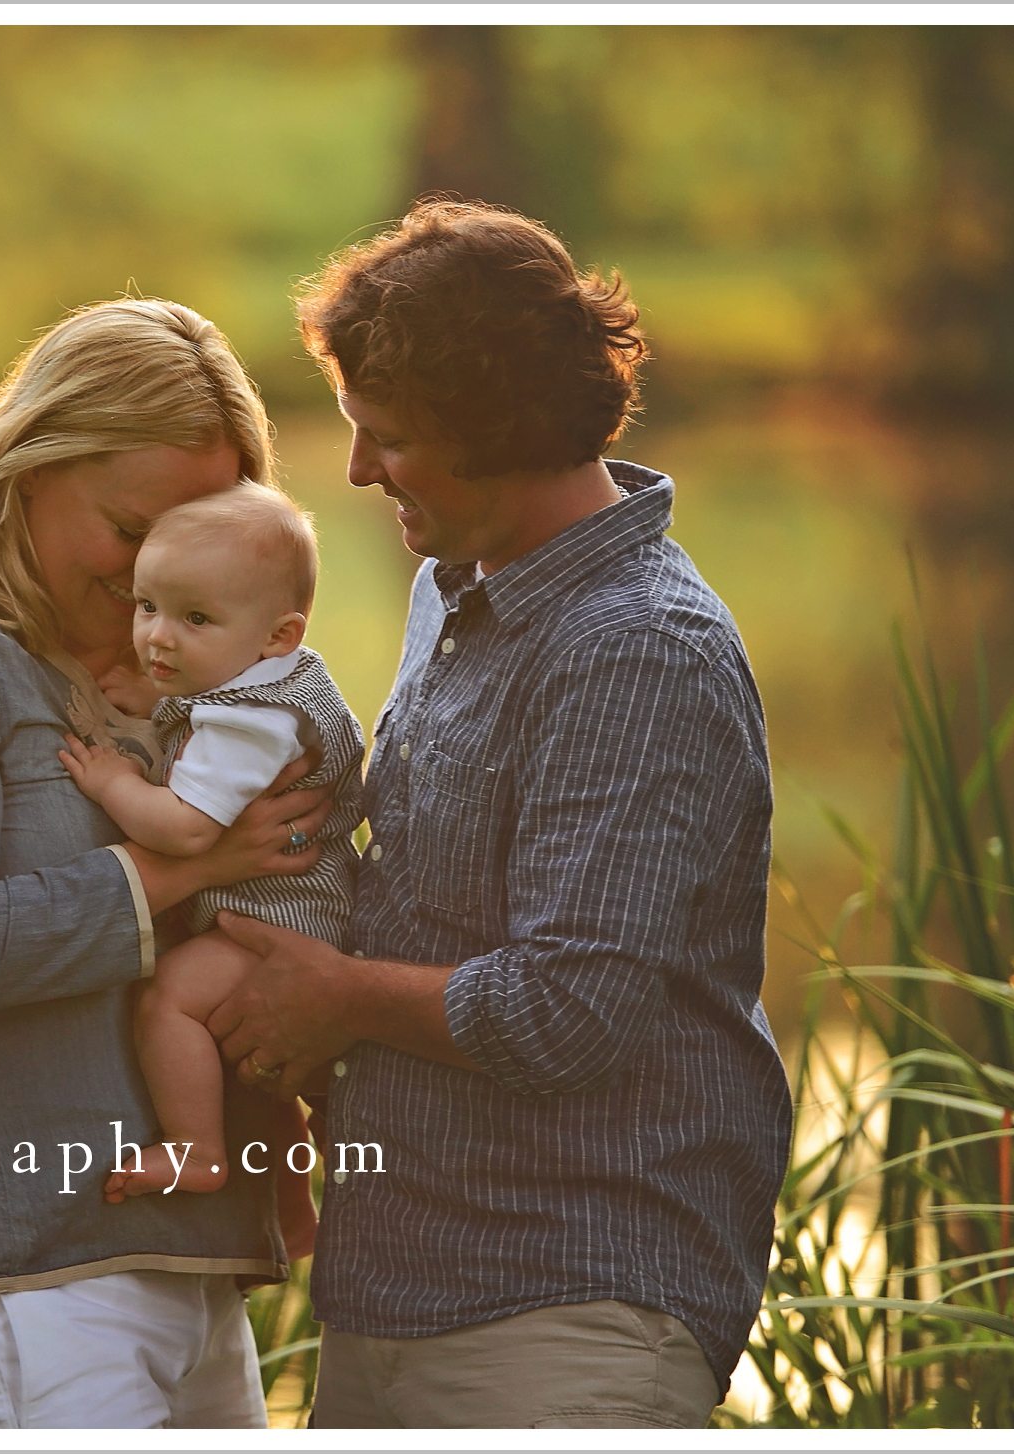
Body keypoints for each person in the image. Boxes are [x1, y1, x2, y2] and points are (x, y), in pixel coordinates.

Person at [203, 198, 794, 1428]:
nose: (360, 470)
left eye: (392, 437)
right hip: (402, 1283)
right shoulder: (454, 586)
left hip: (569, 1305)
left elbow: (573, 1005)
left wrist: (340, 994)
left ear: (501, 429)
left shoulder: (636, 649)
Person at [0, 297, 332, 1429]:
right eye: (132, 527)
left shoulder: (198, 688)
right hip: (3, 1262)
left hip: (183, 1257)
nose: (163, 569)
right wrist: (181, 868)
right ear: (27, 466)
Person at [57, 484, 361, 1248]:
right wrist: (163, 694)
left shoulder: (249, 727)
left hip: (274, 924)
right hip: (286, 909)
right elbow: (200, 719)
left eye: (194, 620)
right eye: (147, 607)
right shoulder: (269, 683)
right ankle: (294, 1208)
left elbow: (188, 829)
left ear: (277, 635)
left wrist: (112, 782)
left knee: (171, 1002)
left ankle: (198, 1151)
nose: (158, 637)